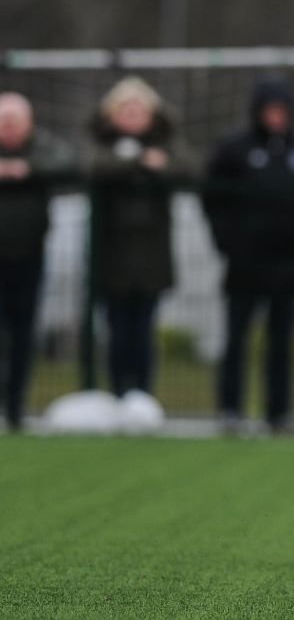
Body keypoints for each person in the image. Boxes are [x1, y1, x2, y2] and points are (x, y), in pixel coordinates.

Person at [204, 77, 294, 434]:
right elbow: (211, 196)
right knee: (236, 336)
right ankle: (229, 409)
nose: (276, 117)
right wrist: (226, 241)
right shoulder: (233, 150)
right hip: (244, 263)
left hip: (289, 265)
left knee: (281, 341)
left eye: (282, 110)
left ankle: (279, 412)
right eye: (270, 110)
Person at [88, 77, 195, 397]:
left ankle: (143, 395)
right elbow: (93, 166)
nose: (133, 117)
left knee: (144, 330)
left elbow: (189, 169)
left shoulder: (167, 146)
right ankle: (117, 392)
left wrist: (158, 164)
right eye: (126, 110)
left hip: (152, 257)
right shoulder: (102, 146)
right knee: (117, 330)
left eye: (139, 110)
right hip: (110, 255)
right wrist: (138, 161)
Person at [0, 92, 76, 431]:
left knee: (22, 334)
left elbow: (68, 162)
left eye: (14, 122)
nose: (9, 129)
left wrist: (26, 170)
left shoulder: (42, 148)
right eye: (3, 122)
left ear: (28, 124)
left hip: (28, 257)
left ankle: (15, 407)